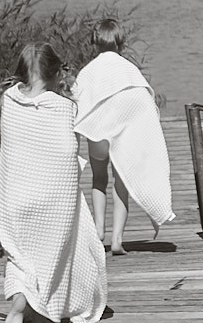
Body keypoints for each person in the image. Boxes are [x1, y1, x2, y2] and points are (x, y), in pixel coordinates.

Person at [0, 42, 108, 323]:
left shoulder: (9, 100)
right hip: (52, 199)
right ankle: (44, 314)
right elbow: (69, 152)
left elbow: (13, 149)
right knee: (52, 257)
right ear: (55, 73)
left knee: (23, 259)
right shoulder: (64, 108)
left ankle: (21, 308)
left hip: (16, 197)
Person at [72, 17, 175, 254]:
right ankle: (117, 240)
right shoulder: (129, 70)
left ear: (94, 43)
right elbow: (144, 103)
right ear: (121, 43)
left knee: (99, 179)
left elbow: (78, 103)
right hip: (123, 136)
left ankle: (99, 230)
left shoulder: (88, 71)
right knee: (122, 183)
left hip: (98, 135)